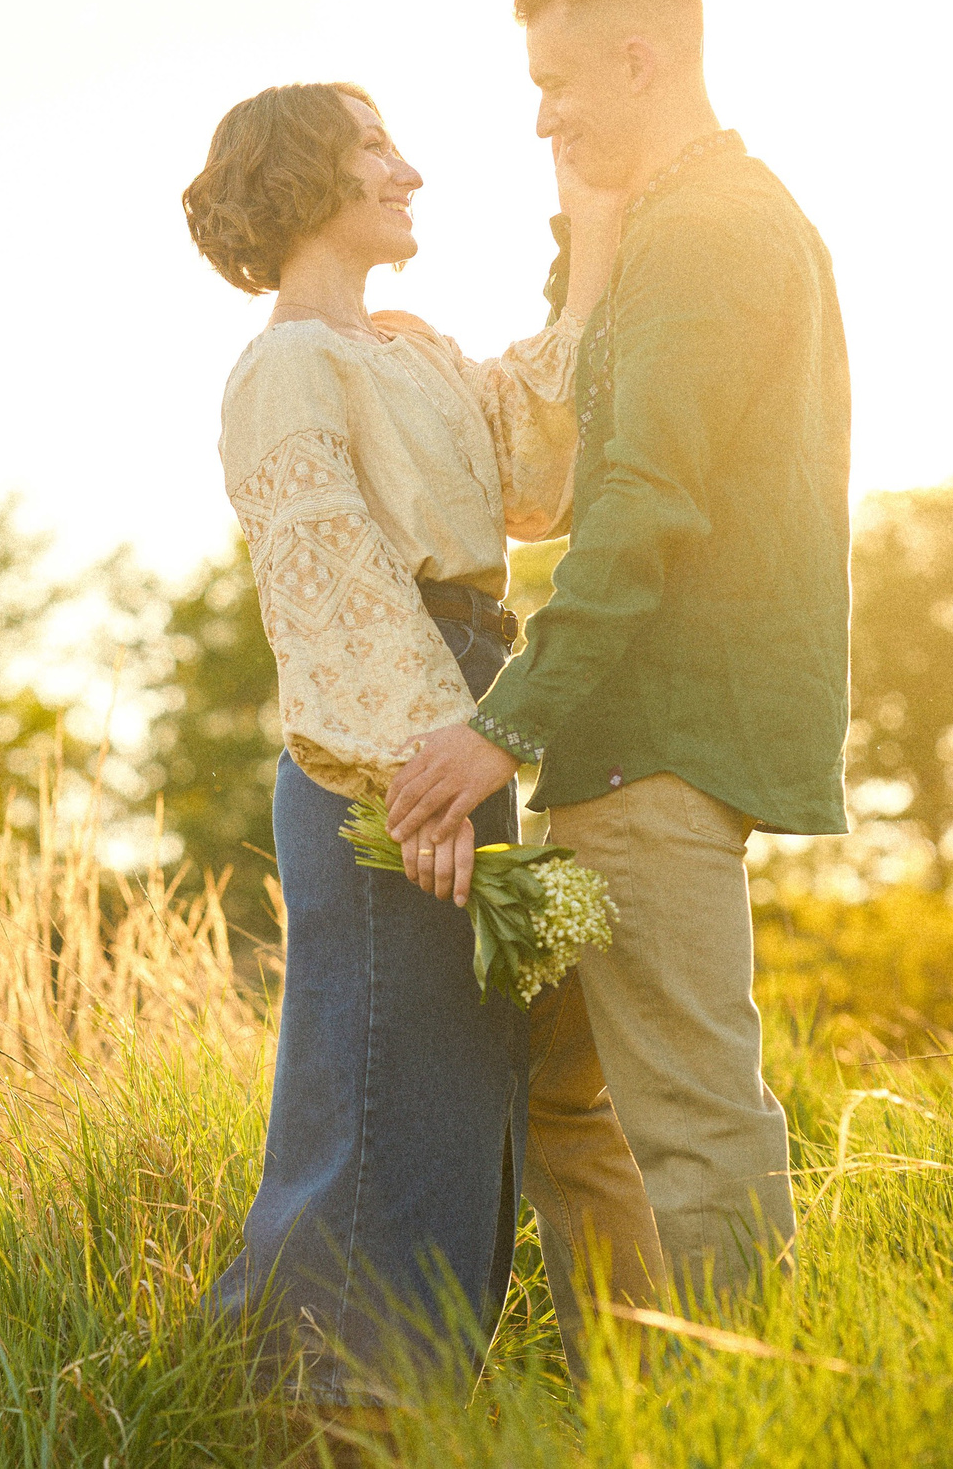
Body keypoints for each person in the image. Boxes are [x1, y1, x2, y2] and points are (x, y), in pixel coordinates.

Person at [388, 0, 854, 1337]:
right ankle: (640, 1393)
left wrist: (497, 723)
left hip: (651, 753)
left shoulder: (710, 235)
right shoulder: (678, 227)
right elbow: (601, 403)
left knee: (697, 1115)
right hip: (617, 758)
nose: (544, 120)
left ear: (642, 62)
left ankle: (752, 1403)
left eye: (558, 86)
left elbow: (639, 506)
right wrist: (575, 227)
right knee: (559, 1091)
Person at [183, 81, 654, 1413]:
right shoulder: (287, 367)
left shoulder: (409, 349)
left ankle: (412, 1391)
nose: (411, 171)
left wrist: (596, 216)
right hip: (384, 744)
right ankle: (322, 1403)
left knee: (455, 1080)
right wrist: (426, 771)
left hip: (460, 708)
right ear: (303, 181)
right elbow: (326, 571)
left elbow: (537, 458)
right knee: (381, 1082)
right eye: (376, 149)